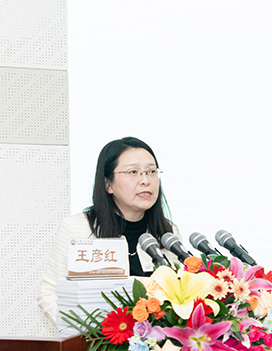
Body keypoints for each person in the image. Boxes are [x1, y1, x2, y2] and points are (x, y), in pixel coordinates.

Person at [38, 137, 180, 323]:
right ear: (108, 184)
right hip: (97, 338)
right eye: (133, 172)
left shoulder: (168, 233)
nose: (146, 180)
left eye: (151, 171)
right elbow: (49, 293)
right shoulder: (77, 229)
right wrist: (87, 331)